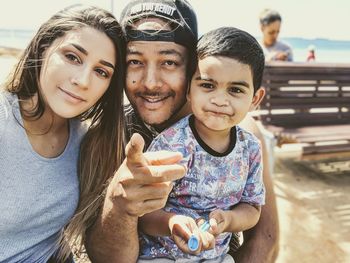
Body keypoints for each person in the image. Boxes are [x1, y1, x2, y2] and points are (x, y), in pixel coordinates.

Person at [84, 1, 279, 262]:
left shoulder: (243, 134)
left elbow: (265, 238)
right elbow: (103, 257)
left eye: (169, 62)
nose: (151, 82)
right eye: (135, 61)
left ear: (191, 68)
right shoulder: (106, 136)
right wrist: (119, 207)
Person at [0, 5, 126, 263]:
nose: (82, 80)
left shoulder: (87, 142)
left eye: (101, 72)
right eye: (72, 57)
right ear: (43, 47)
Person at [138, 26, 266, 262]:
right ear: (189, 89)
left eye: (236, 90)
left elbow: (252, 208)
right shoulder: (172, 143)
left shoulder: (251, 149)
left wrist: (230, 220)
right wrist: (173, 223)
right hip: (162, 255)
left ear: (255, 99)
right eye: (207, 85)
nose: (219, 100)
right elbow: (144, 215)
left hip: (217, 256)